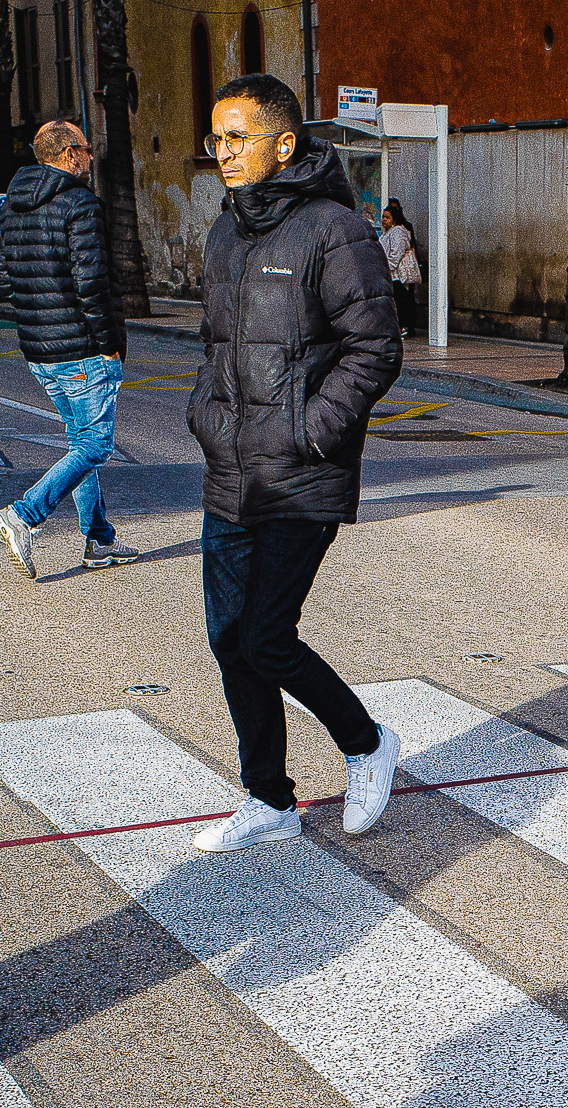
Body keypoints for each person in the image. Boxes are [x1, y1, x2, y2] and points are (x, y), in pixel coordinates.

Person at [185, 73, 403, 853]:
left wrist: (312, 430)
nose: (223, 151)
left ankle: (368, 742)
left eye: (237, 136)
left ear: (284, 144)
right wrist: (207, 417)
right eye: (216, 137)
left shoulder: (332, 230)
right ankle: (268, 798)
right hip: (230, 472)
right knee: (228, 639)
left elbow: (376, 347)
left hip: (302, 474)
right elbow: (215, 352)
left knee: (268, 637)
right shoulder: (223, 233)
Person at [0, 119, 136, 579]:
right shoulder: (80, 203)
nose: (92, 158)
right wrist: (109, 343)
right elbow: (91, 282)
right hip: (83, 348)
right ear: (70, 154)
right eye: (87, 150)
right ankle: (24, 516)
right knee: (95, 445)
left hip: (39, 351)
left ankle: (99, 540)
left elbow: (5, 279)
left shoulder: (12, 206)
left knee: (79, 444)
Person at [380, 201, 421, 337]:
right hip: (390, 274)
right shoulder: (387, 233)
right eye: (383, 217)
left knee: (399, 302)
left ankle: (403, 327)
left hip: (396, 275)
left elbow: (396, 254)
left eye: (387, 217)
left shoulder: (398, 232)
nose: (384, 220)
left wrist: (387, 268)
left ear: (394, 219)